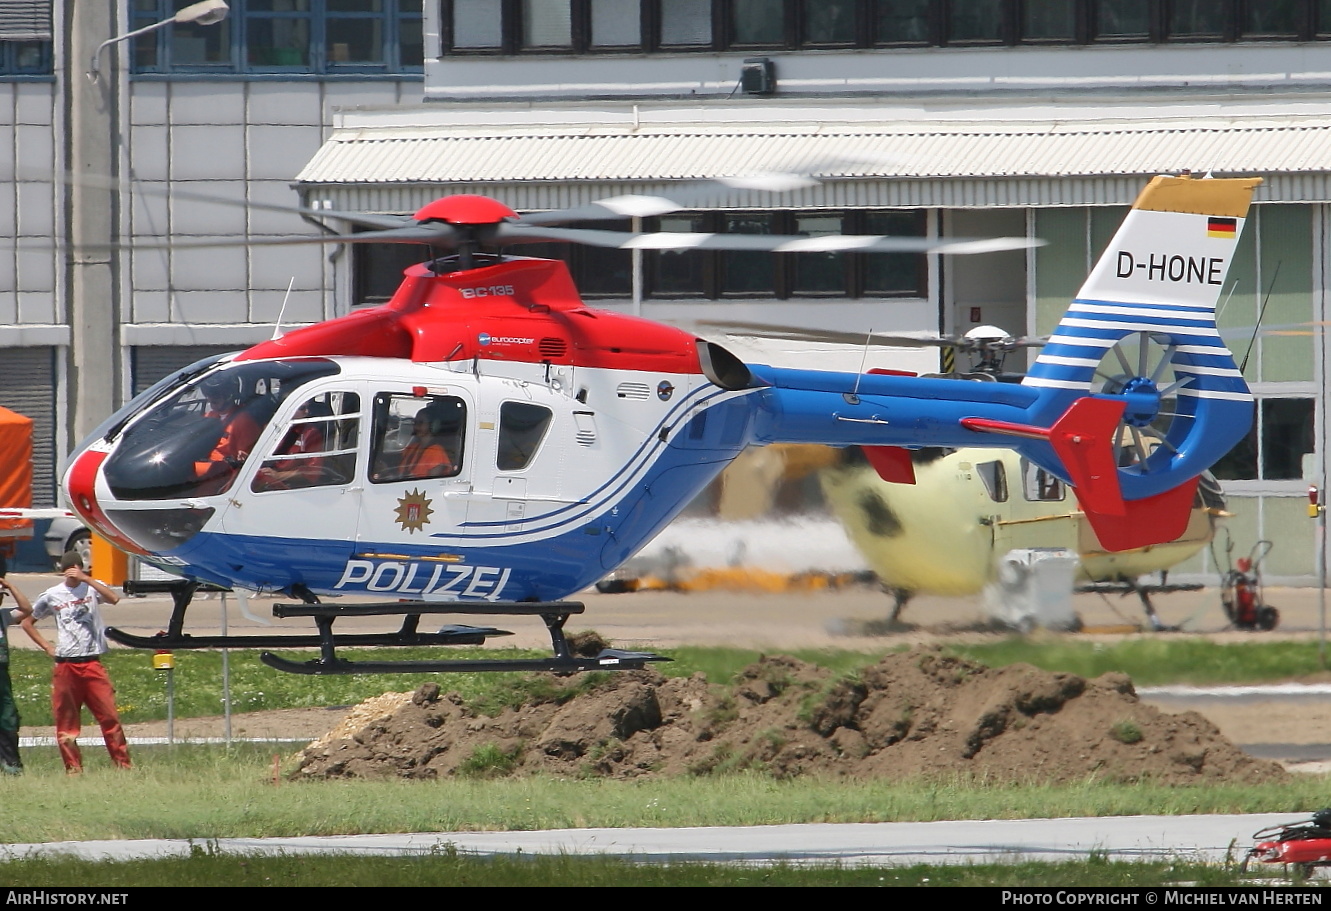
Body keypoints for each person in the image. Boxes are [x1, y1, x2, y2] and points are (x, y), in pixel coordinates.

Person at [9, 553, 131, 772]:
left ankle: (123, 764)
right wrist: (47, 647)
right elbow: (27, 622)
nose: (73, 573)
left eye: (77, 569)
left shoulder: (92, 588)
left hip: (92, 662)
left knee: (109, 716)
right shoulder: (53, 595)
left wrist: (87, 579)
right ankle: (73, 768)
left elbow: (113, 598)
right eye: (70, 570)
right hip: (66, 664)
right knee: (66, 720)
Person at [194, 373, 262, 494]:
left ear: (229, 395)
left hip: (222, 475)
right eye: (208, 395)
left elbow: (245, 461)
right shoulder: (210, 416)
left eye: (216, 396)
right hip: (203, 467)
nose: (210, 399)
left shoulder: (243, 421)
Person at [252, 401, 329, 491]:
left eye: (308, 408)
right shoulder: (270, 428)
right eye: (302, 408)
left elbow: (313, 472)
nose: (307, 412)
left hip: (289, 486)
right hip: (264, 479)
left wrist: (278, 475)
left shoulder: (310, 433)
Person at [378, 404, 454, 481]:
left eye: (421, 422)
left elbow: (431, 484)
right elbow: (400, 471)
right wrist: (386, 470)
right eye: (415, 422)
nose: (416, 426)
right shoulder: (412, 447)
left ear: (433, 425)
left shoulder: (437, 452)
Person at [0, 575, 24, 774]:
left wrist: (11, 586)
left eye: (1, 596)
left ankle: (11, 763)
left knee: (8, 717)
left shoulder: (3, 616)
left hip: (2, 675)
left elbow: (27, 610)